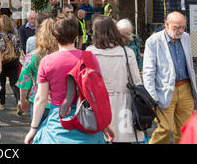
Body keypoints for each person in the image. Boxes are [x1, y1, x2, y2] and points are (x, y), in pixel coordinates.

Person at [24, 13, 115, 144]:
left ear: (55, 37)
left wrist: (33, 129)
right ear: (77, 35)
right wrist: (106, 124)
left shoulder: (47, 61)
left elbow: (41, 98)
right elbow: (97, 94)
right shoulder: (89, 58)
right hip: (87, 120)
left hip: (58, 122)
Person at [86, 15, 144, 143]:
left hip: (97, 103)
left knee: (99, 139)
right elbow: (136, 82)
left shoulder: (89, 52)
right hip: (123, 103)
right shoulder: (127, 52)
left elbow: (86, 82)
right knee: (122, 139)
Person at [143, 11, 197, 144]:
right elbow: (148, 71)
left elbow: (189, 62)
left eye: (183, 27)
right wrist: (151, 97)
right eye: (176, 27)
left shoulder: (186, 37)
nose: (180, 30)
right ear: (167, 25)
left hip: (185, 89)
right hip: (164, 90)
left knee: (184, 129)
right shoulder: (153, 41)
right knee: (166, 129)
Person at [17, 18, 58, 125]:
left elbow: (24, 81)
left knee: (37, 135)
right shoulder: (64, 56)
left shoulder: (32, 57)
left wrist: (22, 100)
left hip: (38, 100)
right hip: (59, 103)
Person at [0, 15, 21, 112]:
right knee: (14, 83)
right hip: (14, 61)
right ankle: (18, 101)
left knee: (2, 83)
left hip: (3, 62)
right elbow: (18, 50)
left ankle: (2, 103)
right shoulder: (15, 35)